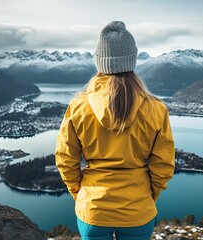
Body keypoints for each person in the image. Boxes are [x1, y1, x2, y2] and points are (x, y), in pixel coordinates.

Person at [55, 21, 175, 240]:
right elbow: (164, 165)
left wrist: (80, 193)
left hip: (92, 211)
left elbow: (65, 160)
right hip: (138, 212)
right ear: (132, 59)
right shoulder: (156, 108)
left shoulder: (78, 107)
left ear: (99, 61)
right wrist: (148, 197)